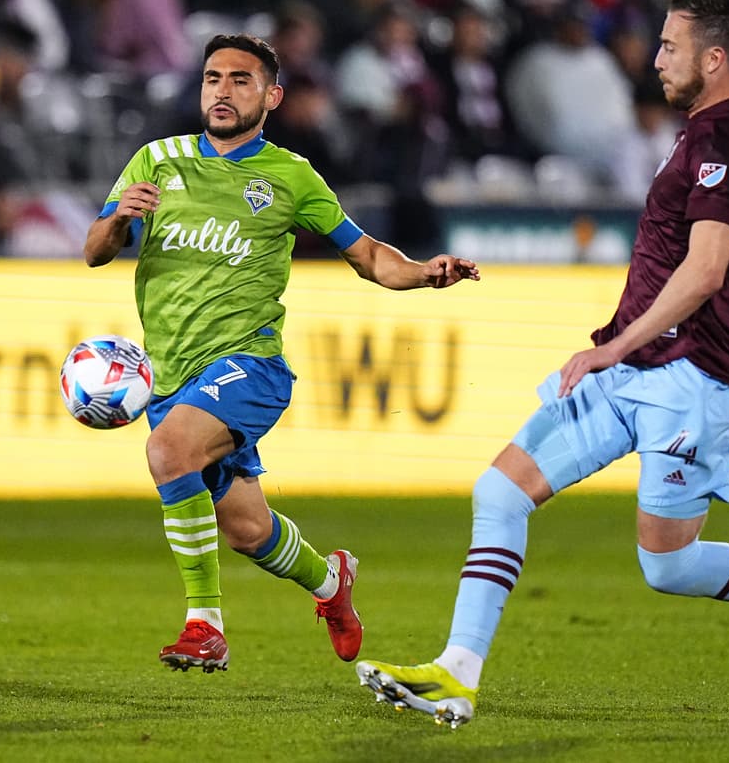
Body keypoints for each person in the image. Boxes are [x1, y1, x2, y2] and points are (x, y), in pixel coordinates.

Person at [355, 0, 729, 729]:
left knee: (667, 565)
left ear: (716, 58)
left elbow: (703, 272)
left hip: (689, 379)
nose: (656, 59)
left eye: (671, 47)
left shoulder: (725, 143)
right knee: (500, 494)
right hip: (635, 366)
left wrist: (612, 351)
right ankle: (456, 674)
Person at [84, 33, 479, 672]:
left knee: (167, 451)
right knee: (245, 530)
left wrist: (426, 272)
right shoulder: (156, 161)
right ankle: (332, 584)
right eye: (213, 78)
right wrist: (118, 220)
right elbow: (95, 251)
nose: (222, 90)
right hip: (173, 376)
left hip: (250, 366)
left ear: (272, 96)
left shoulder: (291, 176)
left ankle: (203, 626)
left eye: (241, 80)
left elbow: (370, 256)